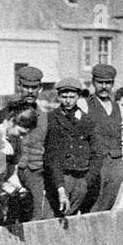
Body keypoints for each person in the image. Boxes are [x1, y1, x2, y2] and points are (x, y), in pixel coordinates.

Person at [0, 66, 49, 221]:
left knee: (36, 215)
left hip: (35, 173)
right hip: (10, 173)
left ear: (40, 88)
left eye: (34, 87)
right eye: (26, 87)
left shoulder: (44, 116)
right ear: (19, 87)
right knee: (10, 215)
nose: (30, 91)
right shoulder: (6, 114)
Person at [43, 78, 100, 217]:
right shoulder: (50, 119)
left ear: (78, 96)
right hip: (60, 178)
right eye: (64, 96)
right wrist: (60, 187)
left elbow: (97, 153)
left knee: (72, 217)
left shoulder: (87, 120)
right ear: (58, 97)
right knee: (53, 218)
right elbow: (52, 156)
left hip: (81, 178)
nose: (68, 101)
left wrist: (87, 181)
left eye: (72, 97)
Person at [86, 64, 123, 212]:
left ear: (112, 84)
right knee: (92, 205)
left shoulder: (119, 108)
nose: (104, 86)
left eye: (107, 83)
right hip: (94, 163)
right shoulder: (85, 104)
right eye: (100, 82)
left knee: (108, 205)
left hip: (115, 163)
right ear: (93, 83)